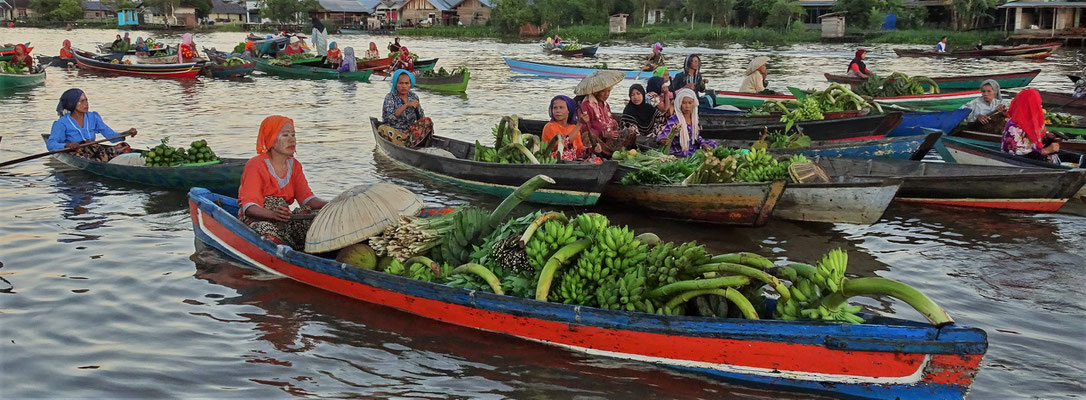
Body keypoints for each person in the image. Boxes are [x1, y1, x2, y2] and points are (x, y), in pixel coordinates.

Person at [237, 115, 328, 250]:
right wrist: (273, 214)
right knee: (265, 228)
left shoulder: (295, 165)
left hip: (283, 219)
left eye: (293, 134)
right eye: (285, 135)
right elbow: (249, 207)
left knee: (318, 217)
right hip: (257, 220)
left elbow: (307, 199)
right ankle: (288, 252)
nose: (292, 139)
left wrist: (332, 205)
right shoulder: (255, 165)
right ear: (271, 139)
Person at [46, 89, 138, 162]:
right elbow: (51, 144)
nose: (86, 104)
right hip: (78, 152)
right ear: (72, 103)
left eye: (86, 100)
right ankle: (102, 161)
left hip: (94, 150)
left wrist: (127, 133)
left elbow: (111, 136)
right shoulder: (62, 123)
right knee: (83, 157)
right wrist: (67, 145)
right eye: (81, 101)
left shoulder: (93, 117)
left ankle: (102, 160)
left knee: (124, 146)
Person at [576, 71, 637, 158]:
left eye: (609, 91)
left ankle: (612, 153)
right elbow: (584, 130)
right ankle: (607, 154)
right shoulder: (585, 106)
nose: (607, 94)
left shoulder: (605, 105)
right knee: (588, 137)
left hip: (609, 141)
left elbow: (610, 121)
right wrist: (603, 134)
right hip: (598, 143)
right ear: (596, 91)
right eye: (603, 92)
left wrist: (614, 131)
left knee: (631, 131)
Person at [1002, 89, 1061, 164]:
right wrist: (1046, 151)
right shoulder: (1013, 126)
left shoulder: (1032, 121)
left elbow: (1037, 136)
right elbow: (1016, 153)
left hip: (1034, 154)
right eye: (1036, 104)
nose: (1039, 106)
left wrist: (1048, 137)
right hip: (1019, 161)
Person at [379, 69, 433, 148]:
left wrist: (417, 107)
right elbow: (389, 119)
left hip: (410, 132)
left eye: (406, 83)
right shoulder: (390, 97)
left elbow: (421, 118)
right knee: (382, 129)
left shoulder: (413, 96)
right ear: (396, 84)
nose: (404, 86)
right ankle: (405, 144)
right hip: (395, 132)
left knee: (427, 121)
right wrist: (406, 105)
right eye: (401, 83)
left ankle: (413, 143)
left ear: (410, 85)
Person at [657, 88, 716, 157]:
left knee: (713, 144)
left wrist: (703, 143)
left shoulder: (694, 118)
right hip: (679, 149)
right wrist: (661, 140)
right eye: (684, 103)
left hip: (692, 146)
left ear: (693, 104)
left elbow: (696, 135)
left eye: (690, 103)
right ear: (679, 104)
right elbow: (662, 136)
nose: (687, 106)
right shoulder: (674, 119)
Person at [541, 95, 590, 161]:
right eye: (555, 108)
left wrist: (592, 149)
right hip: (555, 159)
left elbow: (579, 149)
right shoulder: (549, 127)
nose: (558, 111)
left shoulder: (573, 127)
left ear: (568, 110)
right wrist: (580, 124)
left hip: (574, 159)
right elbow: (562, 146)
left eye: (561, 108)